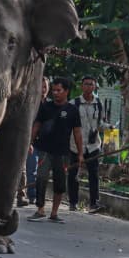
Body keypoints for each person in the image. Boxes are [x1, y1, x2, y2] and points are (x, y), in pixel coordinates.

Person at [30, 77, 83, 223]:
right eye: (53, 90)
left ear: (66, 91)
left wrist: (80, 153)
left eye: (59, 90)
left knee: (60, 182)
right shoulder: (45, 107)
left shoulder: (72, 110)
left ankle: (54, 213)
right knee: (41, 178)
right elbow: (37, 125)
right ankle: (40, 209)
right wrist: (30, 142)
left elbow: (77, 133)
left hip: (62, 152)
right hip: (44, 149)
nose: (55, 93)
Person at [68, 74, 105, 213]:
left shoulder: (99, 104)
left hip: (93, 145)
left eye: (91, 84)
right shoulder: (74, 104)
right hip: (75, 145)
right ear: (81, 86)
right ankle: (73, 202)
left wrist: (109, 127)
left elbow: (100, 123)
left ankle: (94, 203)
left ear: (95, 86)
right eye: (86, 84)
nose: (89, 86)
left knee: (94, 174)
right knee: (73, 174)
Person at [19, 77, 50, 207]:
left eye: (45, 87)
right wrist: (29, 142)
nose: (42, 90)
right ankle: (31, 195)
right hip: (31, 141)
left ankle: (38, 195)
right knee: (30, 170)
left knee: (42, 172)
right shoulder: (30, 103)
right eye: (40, 87)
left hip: (46, 143)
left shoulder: (50, 105)